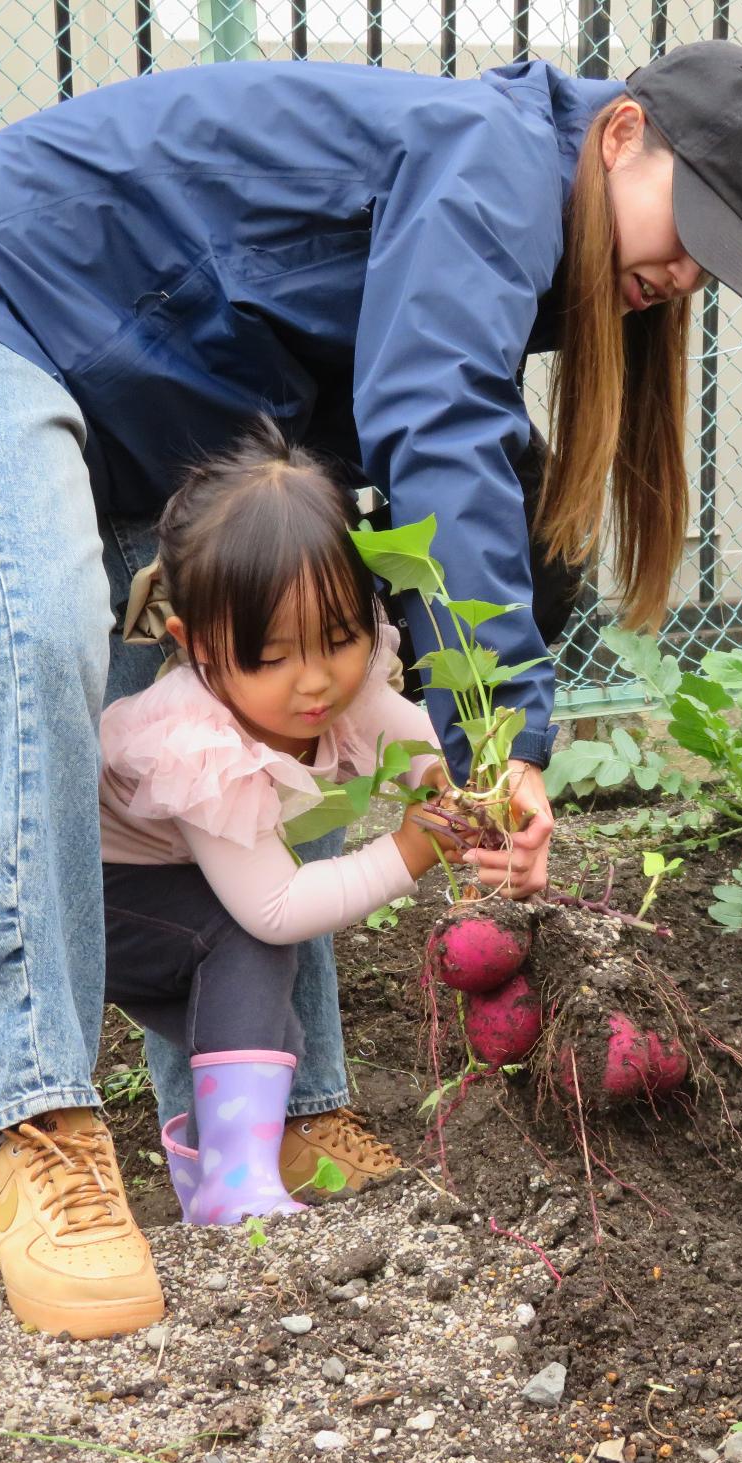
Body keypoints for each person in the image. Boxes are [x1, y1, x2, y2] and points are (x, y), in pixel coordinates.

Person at [0, 40, 742, 1339]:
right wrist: (498, 730)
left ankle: (286, 1118)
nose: (682, 272)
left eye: (714, 263)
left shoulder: (519, 219)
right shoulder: (497, 163)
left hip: (143, 417)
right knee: (31, 642)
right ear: (620, 135)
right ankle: (36, 1129)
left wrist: (442, 756)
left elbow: (402, 513)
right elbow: (435, 426)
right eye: (686, 228)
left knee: (279, 711)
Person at [98, 421, 463, 1234]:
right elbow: (276, 908)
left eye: (339, 639)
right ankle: (233, 1180)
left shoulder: (343, 680)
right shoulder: (194, 739)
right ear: (193, 646)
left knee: (261, 1006)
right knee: (249, 943)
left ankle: (221, 1177)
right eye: (271, 655)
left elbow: (408, 739)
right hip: (95, 899)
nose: (316, 681)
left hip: (170, 882)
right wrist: (410, 848)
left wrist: (457, 791)